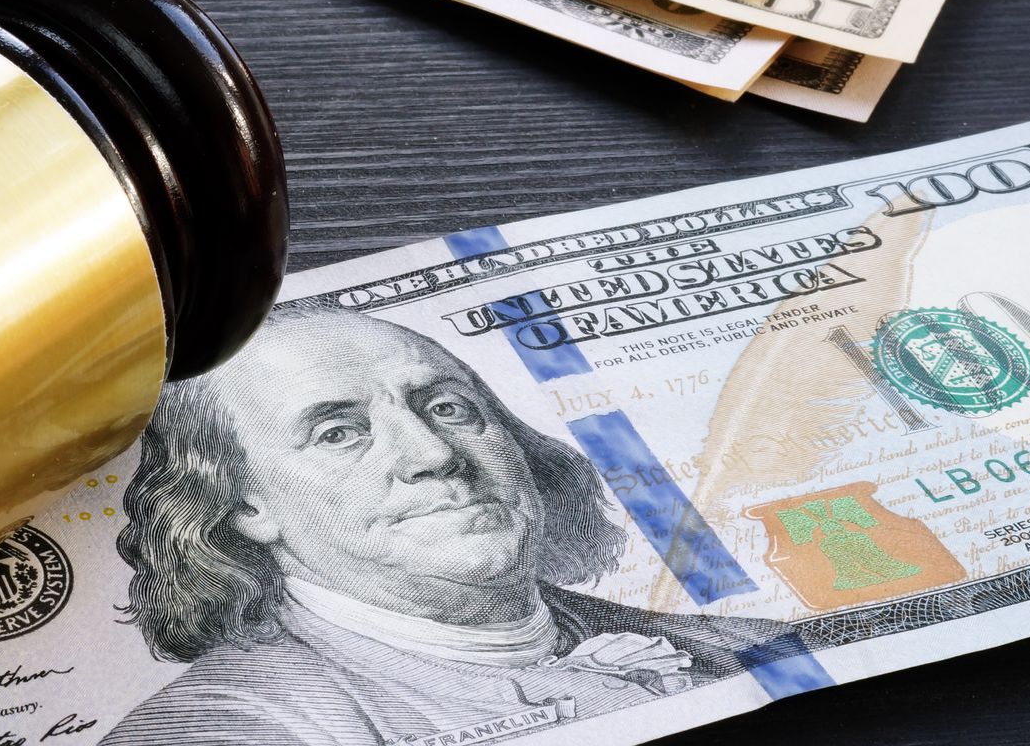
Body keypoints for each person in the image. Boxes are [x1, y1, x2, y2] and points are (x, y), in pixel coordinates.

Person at [101, 307, 796, 745]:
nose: (434, 455)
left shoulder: (750, 649)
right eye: (340, 433)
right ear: (247, 505)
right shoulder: (228, 730)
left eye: (448, 409)